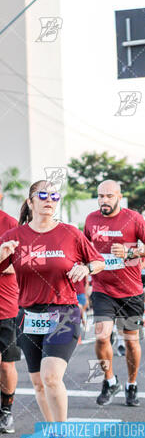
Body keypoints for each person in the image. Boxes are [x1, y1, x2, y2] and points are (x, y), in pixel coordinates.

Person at [0, 180, 104, 422]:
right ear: (30, 201)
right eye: (43, 195)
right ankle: (53, 432)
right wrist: (2, 253)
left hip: (63, 313)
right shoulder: (14, 236)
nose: (49, 200)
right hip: (27, 315)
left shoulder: (70, 233)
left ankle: (62, 436)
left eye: (54, 196)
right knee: (38, 382)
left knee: (50, 376)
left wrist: (87, 268)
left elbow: (99, 261)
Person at [84, 180, 145, 407]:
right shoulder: (91, 220)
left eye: (108, 196)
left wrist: (130, 252)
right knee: (101, 336)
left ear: (119, 196)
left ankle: (132, 384)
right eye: (100, 196)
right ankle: (110, 380)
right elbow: (84, 248)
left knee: (131, 342)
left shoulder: (133, 218)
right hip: (102, 288)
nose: (103, 200)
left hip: (130, 291)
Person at [0, 209, 21, 433]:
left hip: (4, 306)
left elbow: (23, 263)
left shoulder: (10, 224)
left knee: (6, 364)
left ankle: (6, 410)